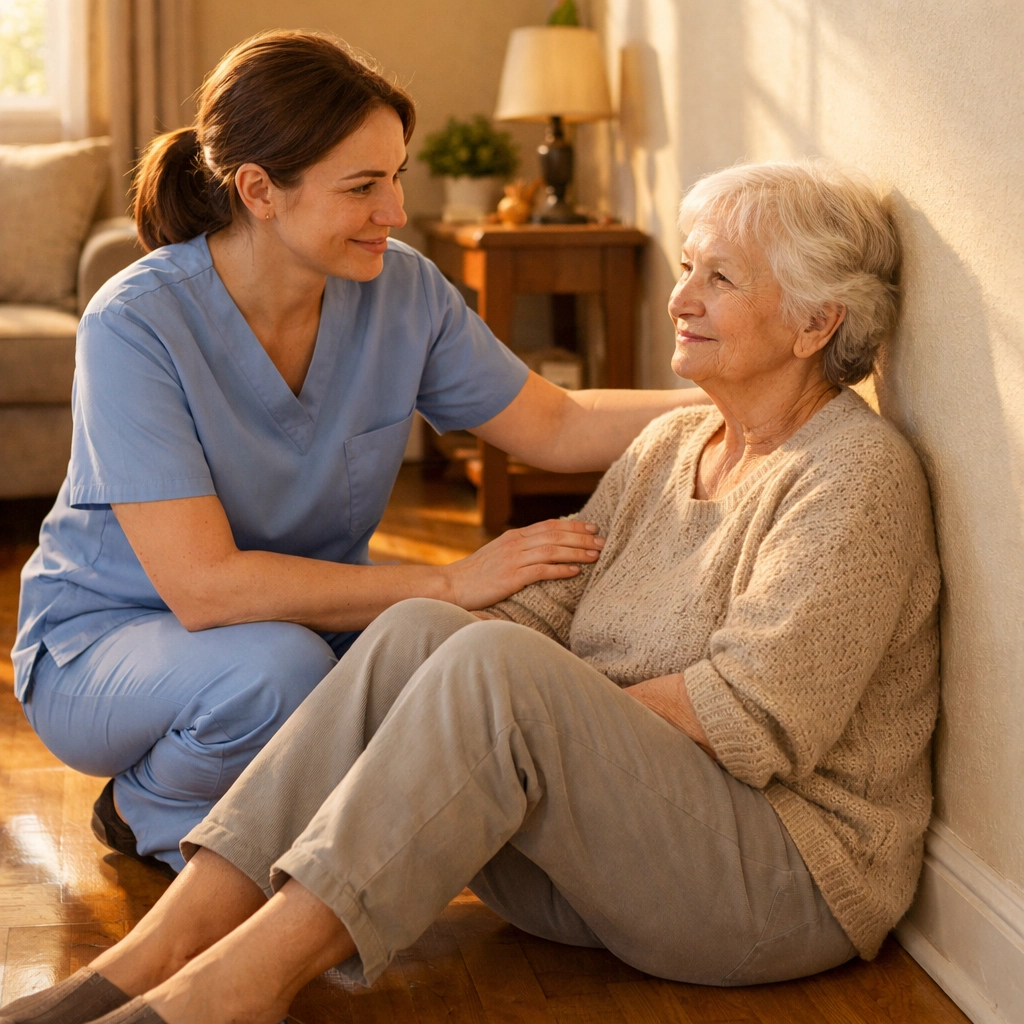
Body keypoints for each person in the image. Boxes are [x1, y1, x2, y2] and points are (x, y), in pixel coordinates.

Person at [0, 160, 941, 1024]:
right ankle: (156, 954)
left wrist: (536, 719)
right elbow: (539, 614)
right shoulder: (667, 449)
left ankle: (231, 991)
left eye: (720, 279)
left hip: (775, 883)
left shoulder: (853, 475)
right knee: (420, 628)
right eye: (687, 267)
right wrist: (474, 700)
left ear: (818, 323)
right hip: (604, 872)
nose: (680, 298)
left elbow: (754, 718)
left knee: (492, 666)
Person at [10, 31, 708, 877]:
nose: (396, 211)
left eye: (397, 175)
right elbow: (205, 588)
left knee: (457, 657)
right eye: (363, 187)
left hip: (306, 621)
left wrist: (732, 395)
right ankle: (145, 807)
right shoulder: (135, 324)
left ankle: (272, 813)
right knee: (280, 672)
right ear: (259, 191)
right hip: (108, 645)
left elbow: (554, 425)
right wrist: (449, 578)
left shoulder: (401, 289)